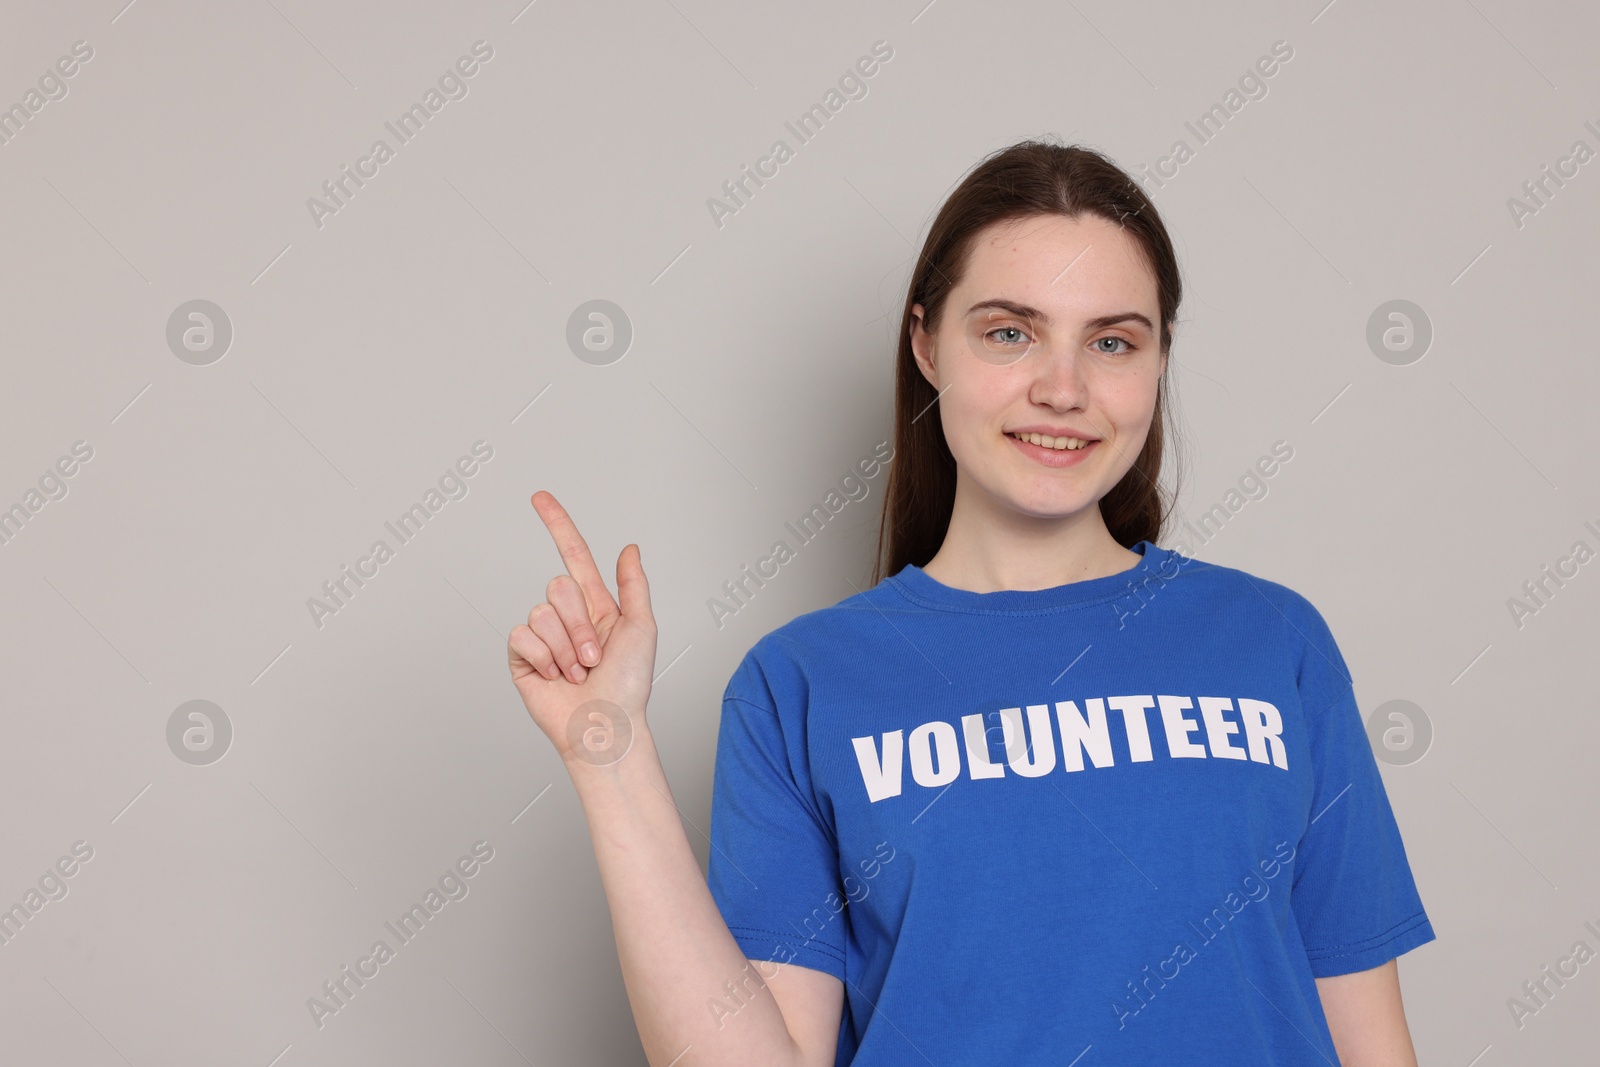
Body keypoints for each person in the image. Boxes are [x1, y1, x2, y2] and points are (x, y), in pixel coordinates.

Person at [507, 139, 1436, 1066]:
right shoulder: (801, 685)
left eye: (1112, 341)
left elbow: (1373, 1046)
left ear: (1158, 361)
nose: (1063, 389)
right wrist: (610, 758)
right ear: (926, 343)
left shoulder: (1272, 643)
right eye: (1009, 332)